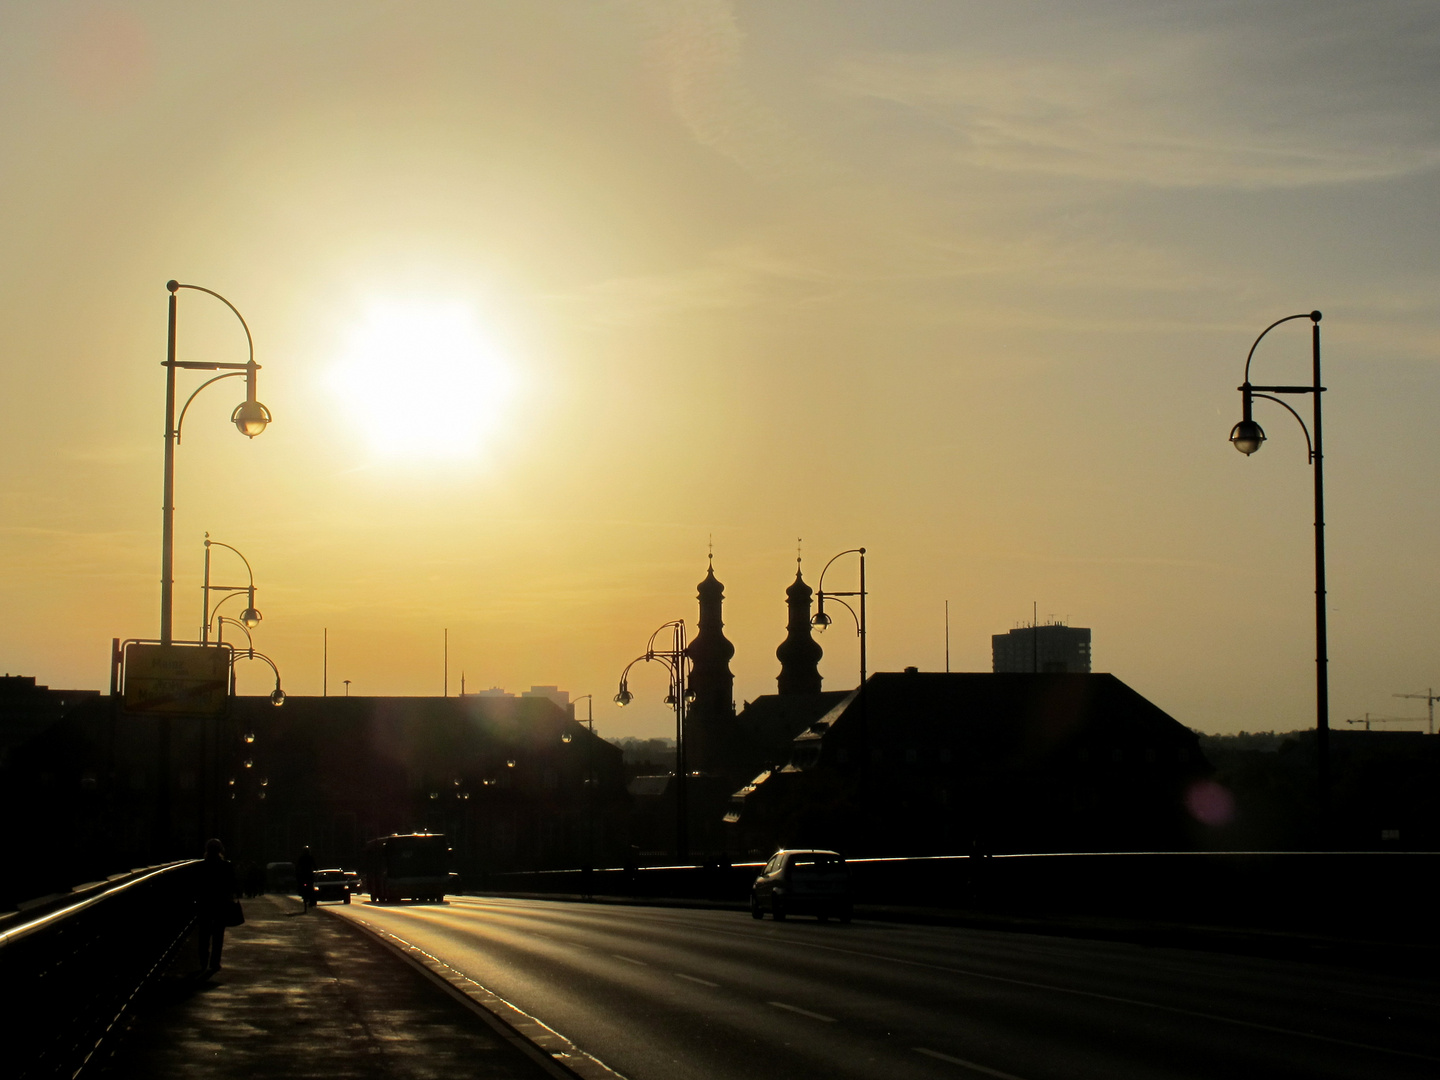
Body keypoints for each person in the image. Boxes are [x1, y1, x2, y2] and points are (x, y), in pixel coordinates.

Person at [197, 838, 238, 974]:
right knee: (218, 934)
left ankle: (203, 961)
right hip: (221, 903)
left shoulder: (201, 866)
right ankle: (215, 962)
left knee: (204, 934)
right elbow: (232, 884)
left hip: (206, 903)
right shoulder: (226, 865)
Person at [295, 845, 317, 911]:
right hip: (308, 874)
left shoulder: (301, 857)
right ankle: (312, 901)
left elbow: (297, 866)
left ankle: (302, 894)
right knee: (311, 887)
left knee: (302, 884)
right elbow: (315, 865)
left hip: (303, 874)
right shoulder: (310, 857)